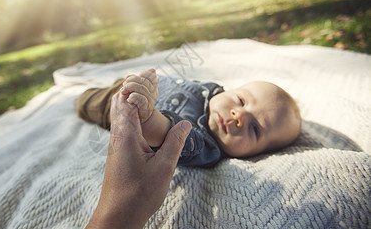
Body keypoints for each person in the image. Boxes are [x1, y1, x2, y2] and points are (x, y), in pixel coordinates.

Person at [75, 69, 301, 168]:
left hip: (116, 105)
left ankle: (79, 96)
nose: (239, 116)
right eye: (241, 100)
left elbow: (167, 134)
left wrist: (147, 116)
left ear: (257, 155)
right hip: (135, 83)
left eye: (254, 129)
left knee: (85, 101)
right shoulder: (212, 93)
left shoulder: (203, 146)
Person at [70, 89, 192, 229]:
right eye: (237, 99)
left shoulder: (210, 146)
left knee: (85, 102)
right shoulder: (211, 90)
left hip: (123, 110)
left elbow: (185, 141)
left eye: (238, 134)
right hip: (139, 91)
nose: (236, 116)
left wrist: (149, 119)